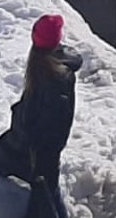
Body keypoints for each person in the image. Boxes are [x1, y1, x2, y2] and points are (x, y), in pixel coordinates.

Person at [21, 14, 82, 218]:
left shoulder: (54, 78)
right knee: (48, 190)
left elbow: (52, 120)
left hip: (46, 146)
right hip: (43, 145)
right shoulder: (50, 68)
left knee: (47, 191)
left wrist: (36, 141)